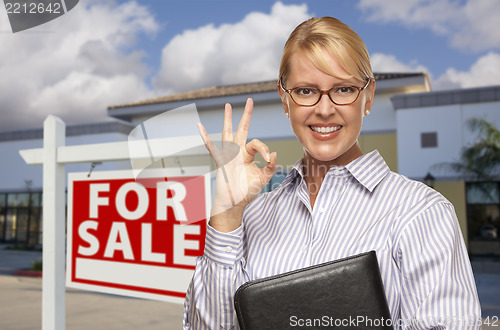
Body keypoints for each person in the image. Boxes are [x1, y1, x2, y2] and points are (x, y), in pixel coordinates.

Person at [183, 16, 481, 329]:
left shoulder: (421, 212)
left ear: (368, 96)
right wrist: (227, 218)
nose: (324, 109)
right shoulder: (253, 217)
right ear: (285, 100)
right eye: (306, 91)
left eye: (343, 89)